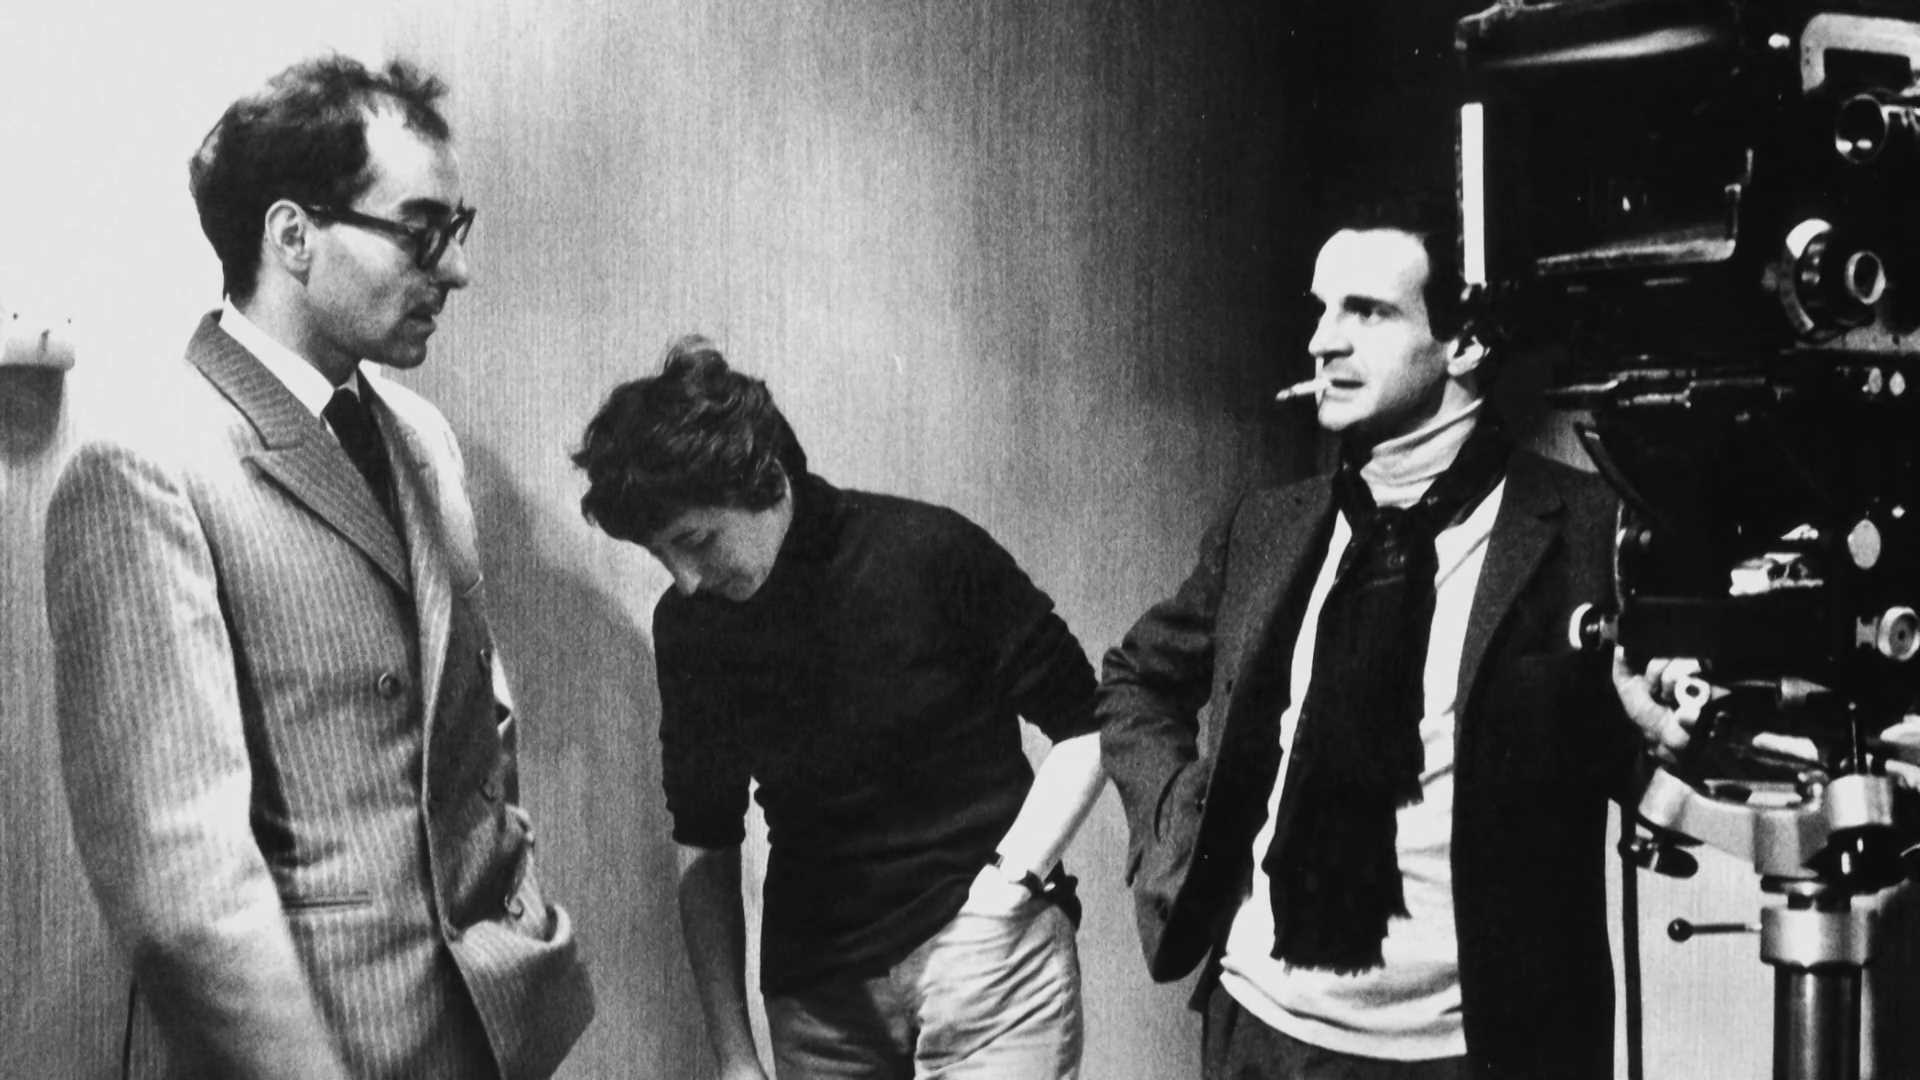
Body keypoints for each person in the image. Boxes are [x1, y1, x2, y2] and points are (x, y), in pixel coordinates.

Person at [43, 55, 593, 1079]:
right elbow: (183, 887)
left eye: (457, 229)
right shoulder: (148, 464)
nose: (456, 270)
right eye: (421, 231)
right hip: (313, 1050)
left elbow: (479, 731)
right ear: (292, 236)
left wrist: (519, 939)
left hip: (477, 1033)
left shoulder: (421, 438)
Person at [1096, 195, 1644, 1078]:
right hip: (1257, 1034)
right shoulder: (1267, 526)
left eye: (1367, 312)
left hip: (1469, 1056)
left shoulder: (1591, 529)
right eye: (1322, 310)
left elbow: (1658, 755)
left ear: (1466, 343)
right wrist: (1175, 824)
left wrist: (1659, 732)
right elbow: (1135, 678)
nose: (1323, 341)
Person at [571, 337, 1105, 1080]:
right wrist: (734, 1057)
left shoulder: (928, 551)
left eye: (695, 539)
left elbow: (1090, 722)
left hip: (986, 956)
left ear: (762, 476)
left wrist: (1006, 889)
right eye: (661, 554)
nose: (685, 579)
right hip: (817, 996)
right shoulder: (690, 626)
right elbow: (705, 835)